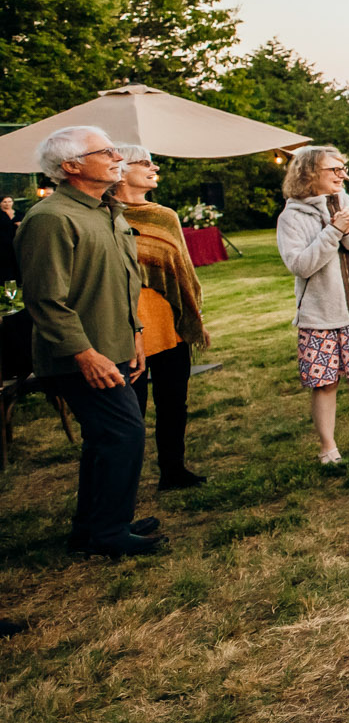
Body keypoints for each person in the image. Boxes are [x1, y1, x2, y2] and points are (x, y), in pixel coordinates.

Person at [16, 128, 162, 556]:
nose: (118, 156)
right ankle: (109, 533)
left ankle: (93, 525)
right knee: (123, 437)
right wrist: (84, 353)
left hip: (117, 346)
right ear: (71, 167)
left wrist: (134, 333)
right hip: (80, 356)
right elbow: (45, 300)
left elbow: (124, 279)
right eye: (106, 151)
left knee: (105, 440)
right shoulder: (51, 219)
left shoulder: (106, 210)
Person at [276, 145, 349, 464]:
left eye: (343, 168)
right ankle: (328, 447)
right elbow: (300, 265)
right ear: (309, 173)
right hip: (321, 316)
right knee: (325, 384)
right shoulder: (292, 216)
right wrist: (333, 231)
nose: (342, 175)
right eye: (334, 170)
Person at [109, 146, 208, 490]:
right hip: (123, 324)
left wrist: (190, 314)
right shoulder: (103, 215)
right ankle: (126, 485)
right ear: (120, 170)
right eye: (144, 163)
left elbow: (180, 269)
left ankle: (173, 470)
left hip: (167, 322)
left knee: (173, 402)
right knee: (130, 410)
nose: (155, 167)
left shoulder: (164, 215)